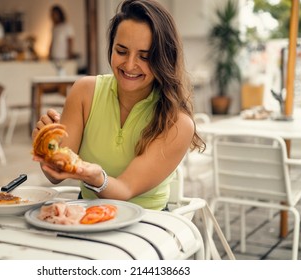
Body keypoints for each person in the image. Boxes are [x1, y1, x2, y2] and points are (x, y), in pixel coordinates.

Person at [33, 0, 205, 211]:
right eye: (122, 51)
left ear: (164, 58)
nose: (130, 65)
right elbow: (55, 174)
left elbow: (124, 189)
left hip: (147, 224)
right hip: (84, 215)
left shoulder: (177, 122)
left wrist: (96, 176)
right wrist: (46, 148)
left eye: (145, 56)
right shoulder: (84, 92)